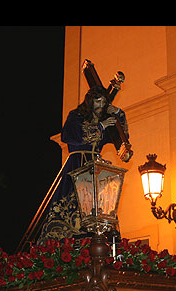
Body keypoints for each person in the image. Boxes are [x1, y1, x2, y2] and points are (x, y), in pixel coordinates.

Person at [37, 85, 129, 243]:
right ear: (90, 102)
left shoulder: (104, 120)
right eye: (97, 102)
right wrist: (100, 126)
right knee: (73, 202)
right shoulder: (76, 116)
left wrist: (119, 113)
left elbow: (120, 134)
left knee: (101, 205)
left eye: (103, 103)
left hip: (97, 167)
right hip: (77, 164)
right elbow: (69, 136)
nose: (100, 107)